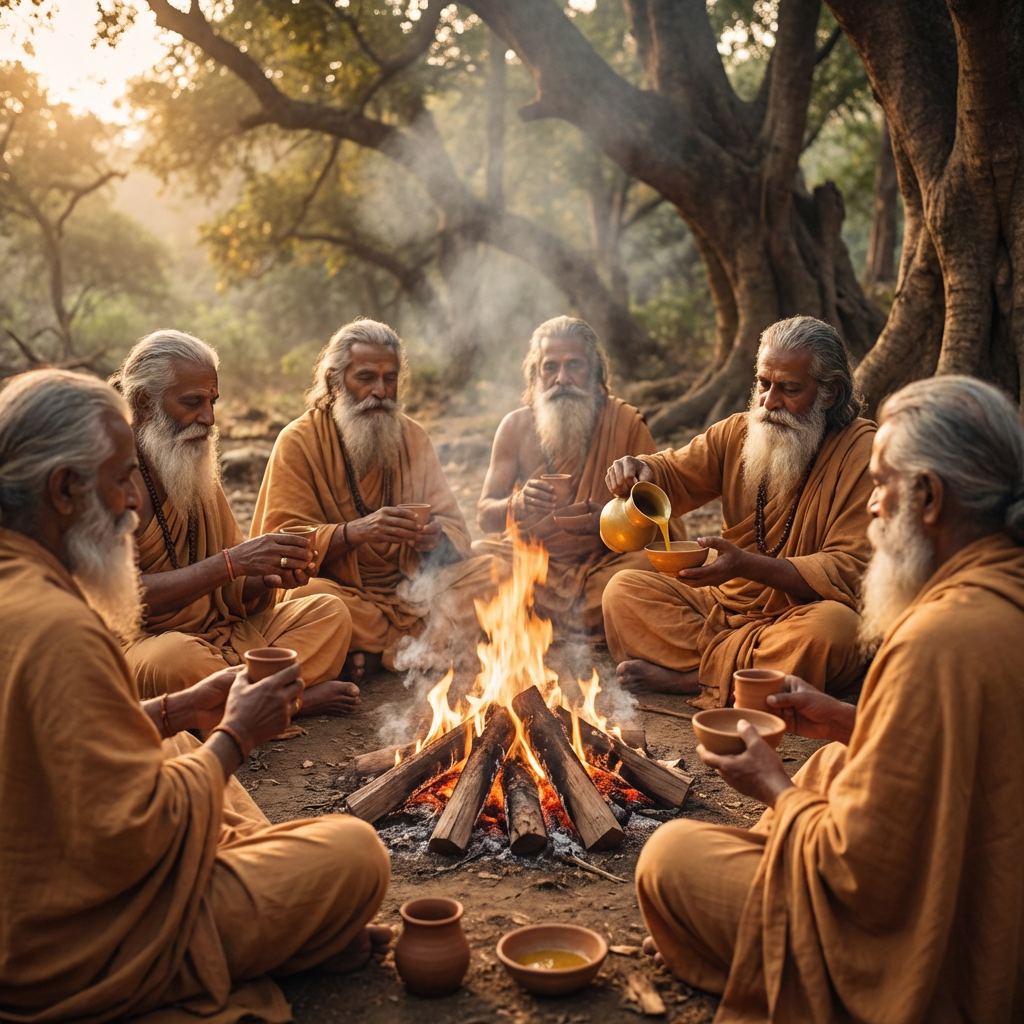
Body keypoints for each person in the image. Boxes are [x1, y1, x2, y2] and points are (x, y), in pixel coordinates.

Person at [0, 369, 391, 1024]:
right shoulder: (59, 627)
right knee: (356, 855)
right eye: (119, 478)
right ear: (65, 489)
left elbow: (64, 755)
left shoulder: (30, 582)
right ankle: (284, 932)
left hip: (50, 877)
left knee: (181, 735)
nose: (130, 501)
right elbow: (135, 834)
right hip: (77, 942)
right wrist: (235, 737)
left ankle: (282, 910)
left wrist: (183, 710)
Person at [635, 375, 1024, 1020]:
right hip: (731, 618)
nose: (874, 505)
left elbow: (857, 871)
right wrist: (850, 718)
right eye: (763, 383)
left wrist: (769, 785)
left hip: (923, 933)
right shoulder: (999, 591)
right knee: (829, 763)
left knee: (671, 857)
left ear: (928, 496)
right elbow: (969, 755)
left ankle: (738, 931)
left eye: (884, 486)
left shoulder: (934, 639)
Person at [602, 316, 873, 706]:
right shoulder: (737, 433)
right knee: (623, 591)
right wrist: (641, 470)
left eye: (790, 388)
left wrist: (746, 565)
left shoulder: (862, 453)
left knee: (835, 631)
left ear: (829, 393)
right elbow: (672, 473)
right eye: (764, 384)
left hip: (801, 617)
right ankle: (744, 677)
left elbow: (848, 570)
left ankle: (694, 680)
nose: (770, 401)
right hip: (726, 607)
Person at [110, 330, 359, 716]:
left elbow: (229, 593)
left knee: (329, 612)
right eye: (192, 403)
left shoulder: (192, 465)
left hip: (220, 638)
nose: (208, 419)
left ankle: (240, 702)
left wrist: (267, 576)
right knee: (177, 662)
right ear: (144, 403)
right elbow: (119, 599)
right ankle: (290, 702)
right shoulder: (111, 475)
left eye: (212, 402)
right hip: (144, 647)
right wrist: (232, 563)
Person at [250, 318, 496, 681]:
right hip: (345, 598)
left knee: (497, 571)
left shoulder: (414, 437)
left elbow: (457, 532)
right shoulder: (298, 441)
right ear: (335, 381)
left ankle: (369, 652)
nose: (380, 391)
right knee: (311, 599)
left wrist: (434, 539)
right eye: (366, 378)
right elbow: (280, 548)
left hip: (414, 595)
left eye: (390, 378)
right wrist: (355, 532)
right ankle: (420, 644)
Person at [475, 316, 685, 638]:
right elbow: (485, 516)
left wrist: (608, 521)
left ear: (596, 374)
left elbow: (663, 523)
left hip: (604, 568)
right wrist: (516, 504)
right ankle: (589, 624)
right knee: (475, 561)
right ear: (535, 376)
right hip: (533, 567)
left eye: (574, 365)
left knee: (653, 567)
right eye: (550, 367)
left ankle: (537, 624)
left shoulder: (624, 422)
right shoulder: (514, 428)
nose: (562, 378)